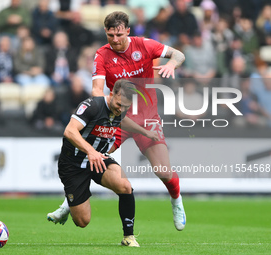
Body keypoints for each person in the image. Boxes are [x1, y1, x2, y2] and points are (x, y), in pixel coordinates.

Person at [47, 11, 187, 232]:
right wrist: (104, 108)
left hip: (147, 118)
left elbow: (178, 54)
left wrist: (172, 65)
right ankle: (71, 202)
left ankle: (176, 201)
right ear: (105, 32)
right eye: (110, 34)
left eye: (119, 34)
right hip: (117, 118)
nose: (114, 39)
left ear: (127, 31)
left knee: (163, 172)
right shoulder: (101, 55)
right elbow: (96, 90)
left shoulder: (145, 45)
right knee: (90, 157)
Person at [52, 79, 158, 247]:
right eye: (118, 104)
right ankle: (70, 205)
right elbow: (70, 131)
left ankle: (128, 237)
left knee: (125, 186)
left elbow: (124, 120)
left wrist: (145, 132)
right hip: (74, 163)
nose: (121, 109)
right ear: (111, 94)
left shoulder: (121, 109)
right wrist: (91, 151)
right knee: (82, 221)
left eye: (125, 107)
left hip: (99, 159)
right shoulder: (92, 106)